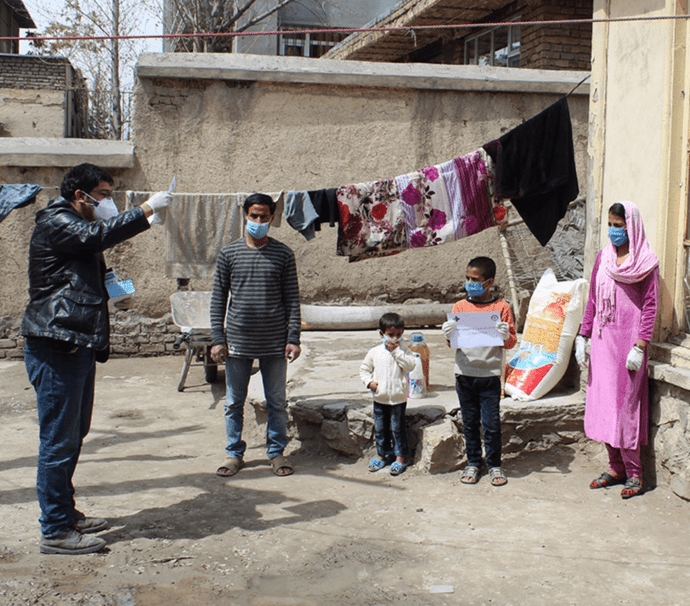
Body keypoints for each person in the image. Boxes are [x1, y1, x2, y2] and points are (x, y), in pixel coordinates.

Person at [21, 163, 171, 554]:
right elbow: (94, 236)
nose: (106, 201)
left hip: (75, 342)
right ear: (79, 196)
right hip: (57, 343)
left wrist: (113, 287)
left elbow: (91, 251)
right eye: (103, 195)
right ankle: (54, 531)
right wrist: (144, 211)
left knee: (73, 435)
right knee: (58, 441)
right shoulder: (57, 220)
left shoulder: (73, 225)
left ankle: (66, 514)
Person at [210, 193, 301, 478]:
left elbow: (292, 299)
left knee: (277, 402)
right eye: (254, 216)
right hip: (237, 341)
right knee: (234, 401)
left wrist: (293, 337)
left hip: (275, 342)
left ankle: (276, 453)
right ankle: (234, 454)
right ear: (245, 216)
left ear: (272, 218)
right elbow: (217, 299)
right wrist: (217, 338)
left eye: (264, 216)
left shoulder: (283, 254)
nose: (259, 221)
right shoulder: (229, 253)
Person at [575, 201, 659, 499]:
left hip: (628, 346)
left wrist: (641, 344)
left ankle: (635, 473)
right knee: (603, 406)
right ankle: (615, 468)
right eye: (610, 225)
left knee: (626, 409)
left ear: (631, 227)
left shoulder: (646, 262)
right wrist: (582, 335)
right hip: (602, 342)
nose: (614, 231)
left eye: (619, 226)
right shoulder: (603, 258)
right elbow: (593, 300)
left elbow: (650, 306)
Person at [442, 256, 517, 486]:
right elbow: (452, 343)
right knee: (470, 422)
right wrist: (448, 334)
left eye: (475, 279)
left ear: (489, 282)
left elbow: (511, 342)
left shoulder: (502, 308)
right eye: (467, 278)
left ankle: (494, 465)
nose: (469, 282)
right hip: (464, 374)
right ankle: (473, 462)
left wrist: (505, 334)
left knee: (491, 423)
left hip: (490, 376)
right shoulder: (459, 307)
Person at [360, 313, 417, 476]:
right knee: (380, 428)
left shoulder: (405, 351)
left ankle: (400, 458)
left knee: (397, 429)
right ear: (382, 334)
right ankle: (382, 455)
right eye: (391, 335)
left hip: (398, 399)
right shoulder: (375, 352)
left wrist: (397, 352)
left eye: (399, 335)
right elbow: (364, 369)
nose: (395, 338)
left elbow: (410, 366)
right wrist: (369, 382)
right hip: (380, 398)